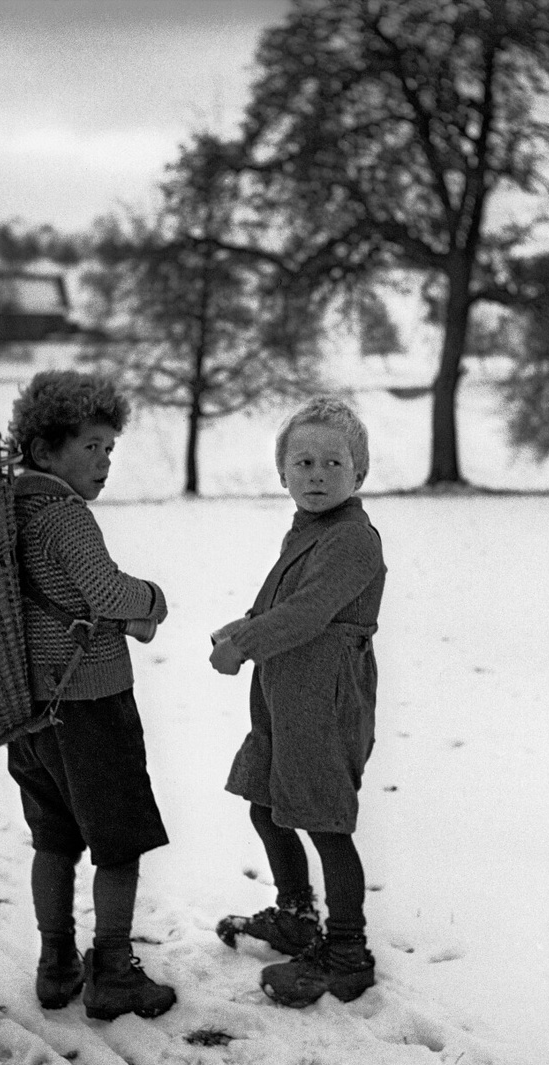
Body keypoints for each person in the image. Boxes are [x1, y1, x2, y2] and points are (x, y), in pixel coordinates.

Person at [7, 370, 175, 1021]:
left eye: (110, 448)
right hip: (92, 705)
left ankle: (55, 964)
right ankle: (112, 970)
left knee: (53, 839)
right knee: (118, 842)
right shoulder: (64, 517)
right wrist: (154, 600)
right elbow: (105, 592)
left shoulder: (10, 511)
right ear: (45, 450)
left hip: (31, 710)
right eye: (92, 446)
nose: (105, 461)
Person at [209, 398, 386, 1006]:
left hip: (325, 699)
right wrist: (244, 627)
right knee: (267, 802)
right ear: (282, 473)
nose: (316, 474)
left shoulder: (354, 539)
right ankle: (294, 914)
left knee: (322, 820)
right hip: (286, 693)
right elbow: (285, 604)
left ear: (358, 474)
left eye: (333, 463)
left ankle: (346, 950)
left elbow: (310, 613)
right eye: (303, 462)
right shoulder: (308, 529)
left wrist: (245, 646)